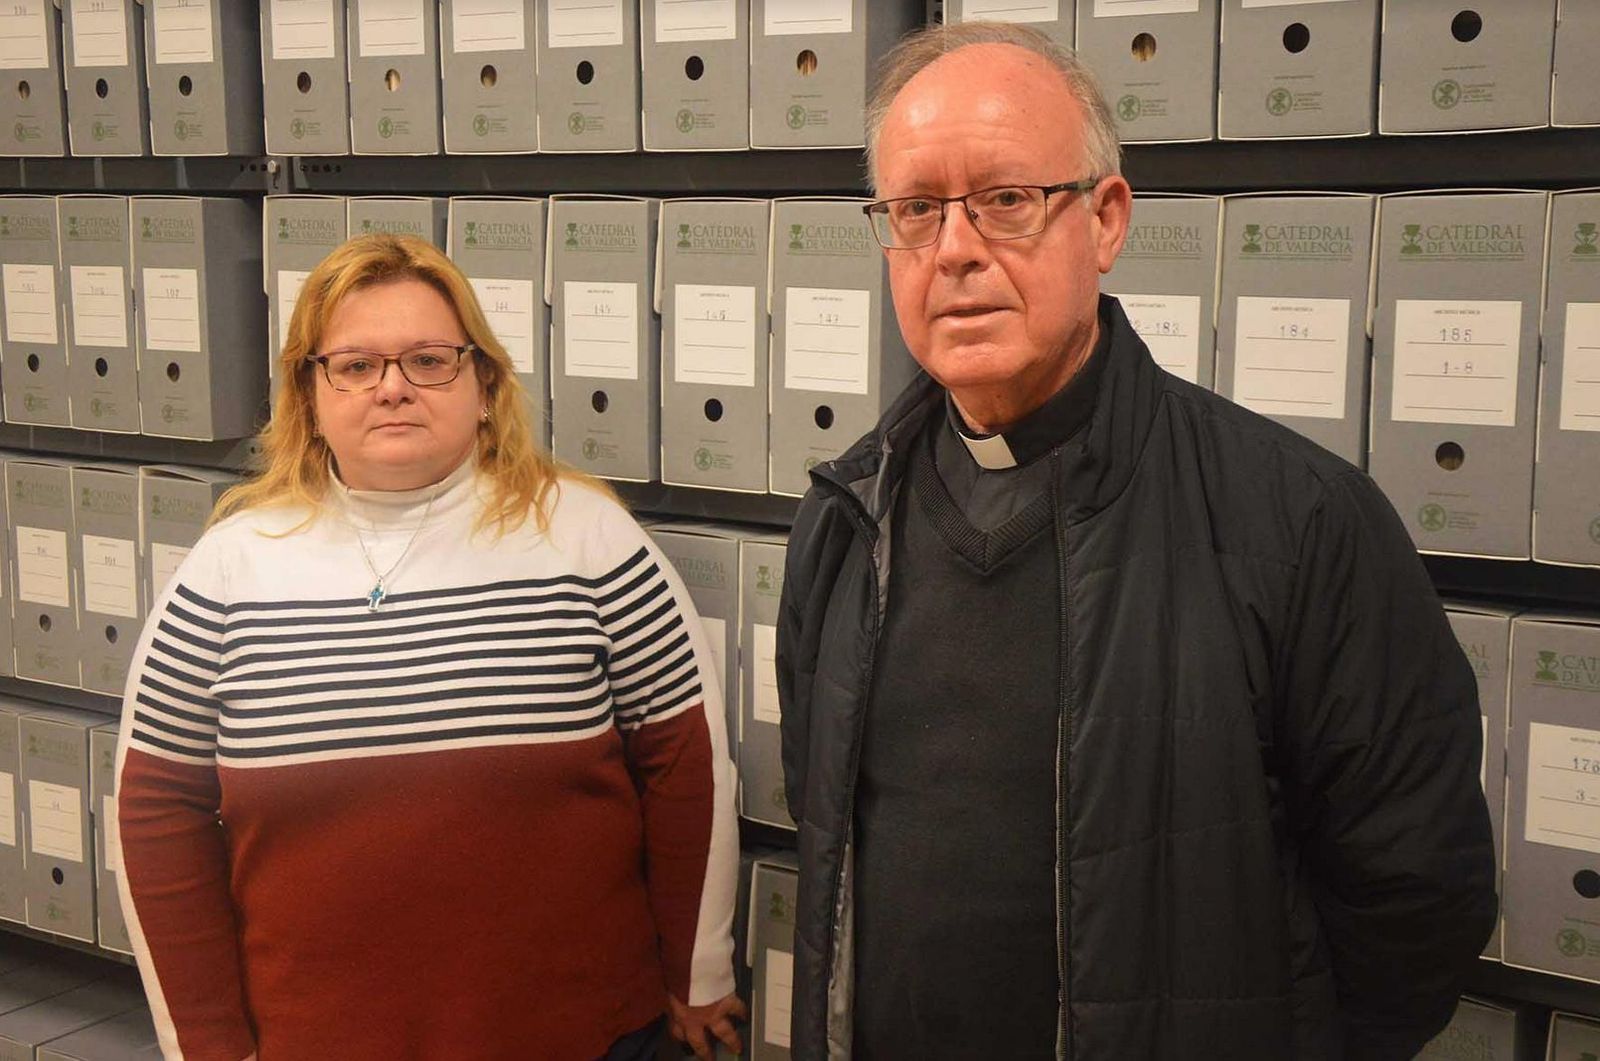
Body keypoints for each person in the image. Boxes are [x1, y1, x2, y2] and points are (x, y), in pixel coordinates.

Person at [774, 22, 1496, 1061]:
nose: (955, 248)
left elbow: (1415, 897)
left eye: (1006, 200)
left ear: (1105, 220)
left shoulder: (1299, 522)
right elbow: (828, 824)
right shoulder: (845, 515)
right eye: (916, 209)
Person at [113, 234, 745, 1061]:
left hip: (583, 1039)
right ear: (310, 395)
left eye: (429, 359)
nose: (393, 388)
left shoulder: (588, 537)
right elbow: (155, 810)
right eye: (355, 365)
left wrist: (699, 972)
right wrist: (203, 1042)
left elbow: (685, 759)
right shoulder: (226, 572)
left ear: (484, 382)